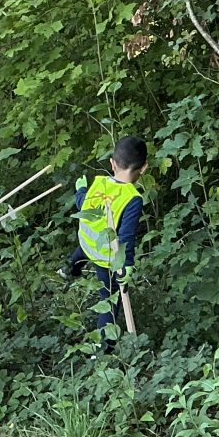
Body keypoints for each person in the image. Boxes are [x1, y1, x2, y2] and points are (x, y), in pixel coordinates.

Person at [63, 135, 147, 352]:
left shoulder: (99, 182)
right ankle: (101, 350)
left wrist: (80, 190)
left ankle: (69, 269)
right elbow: (126, 236)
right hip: (106, 259)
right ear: (144, 168)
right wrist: (125, 264)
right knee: (109, 300)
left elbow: (83, 204)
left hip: (87, 242)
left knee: (83, 250)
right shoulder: (132, 198)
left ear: (112, 163)